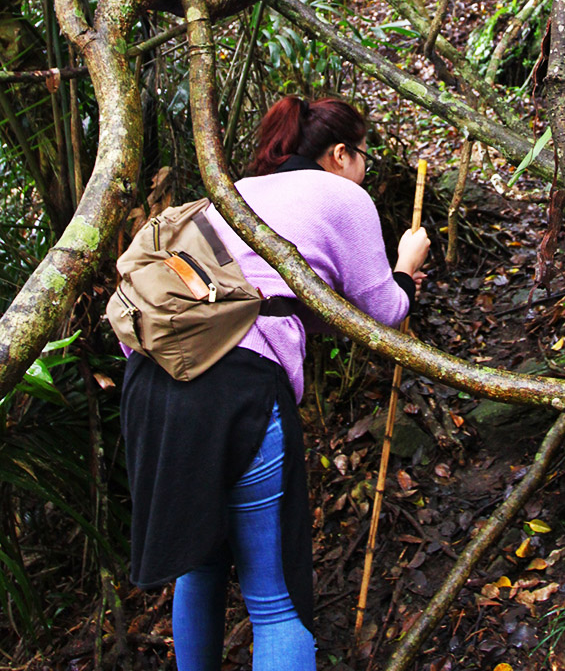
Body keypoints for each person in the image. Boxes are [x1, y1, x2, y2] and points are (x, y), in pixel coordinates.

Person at [120, 96, 430, 671]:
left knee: (200, 567)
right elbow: (384, 310)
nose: (365, 169)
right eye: (363, 156)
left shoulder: (229, 194)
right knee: (275, 602)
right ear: (340, 154)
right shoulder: (343, 195)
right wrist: (407, 265)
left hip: (150, 384)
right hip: (239, 389)